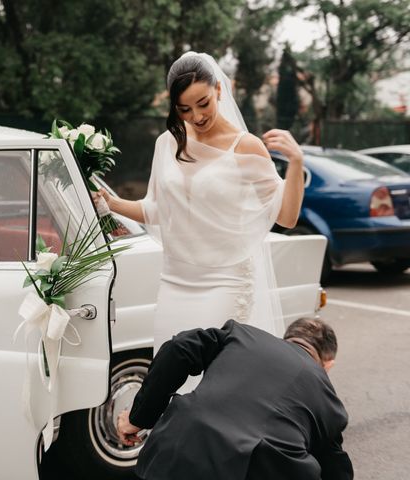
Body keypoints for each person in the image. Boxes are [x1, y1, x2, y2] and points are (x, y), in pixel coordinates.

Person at [96, 52, 305, 392]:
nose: (196, 116)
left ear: (219, 89)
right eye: (185, 109)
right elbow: (157, 211)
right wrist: (113, 203)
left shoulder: (246, 148)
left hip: (224, 281)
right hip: (175, 282)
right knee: (169, 378)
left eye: (203, 103)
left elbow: (287, 216)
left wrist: (296, 163)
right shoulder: (167, 143)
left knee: (210, 385)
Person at [117, 317, 353, 480]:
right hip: (256, 468)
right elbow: (336, 469)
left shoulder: (242, 335)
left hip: (178, 450)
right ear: (328, 364)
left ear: (285, 338)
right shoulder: (326, 395)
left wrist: (140, 417)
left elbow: (179, 348)